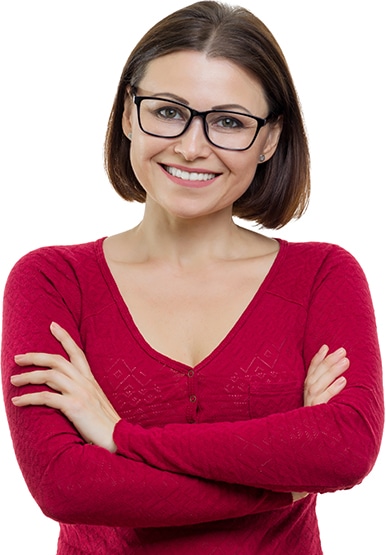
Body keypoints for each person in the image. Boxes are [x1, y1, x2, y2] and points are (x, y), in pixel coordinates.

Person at [1, 1, 383, 553]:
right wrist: (284, 481)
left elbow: (346, 450)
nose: (191, 146)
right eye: (167, 110)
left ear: (270, 139)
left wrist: (117, 437)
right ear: (129, 114)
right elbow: (66, 486)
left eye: (229, 121)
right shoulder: (51, 281)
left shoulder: (323, 276)